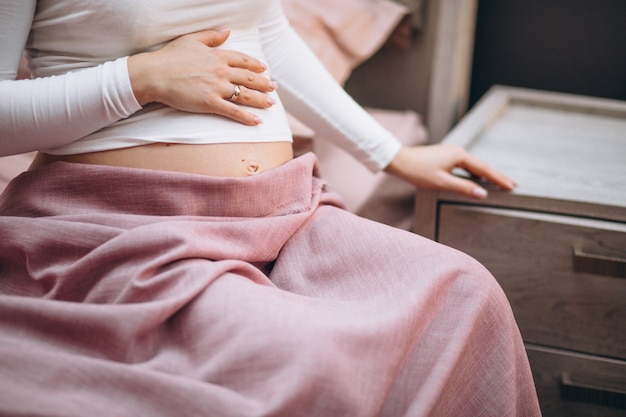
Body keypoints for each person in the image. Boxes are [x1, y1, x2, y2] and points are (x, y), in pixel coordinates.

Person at [0, 1, 541, 416]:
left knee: (467, 290)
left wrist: (391, 154)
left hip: (280, 214)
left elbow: (272, 35)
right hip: (121, 224)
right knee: (297, 356)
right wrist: (140, 80)